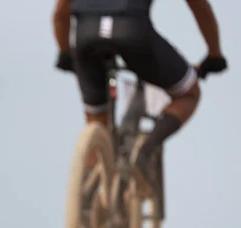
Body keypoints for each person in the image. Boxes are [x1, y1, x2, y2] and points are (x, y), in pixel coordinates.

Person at [52, 0, 227, 188]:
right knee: (189, 93)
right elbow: (199, 6)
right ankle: (144, 152)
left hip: (86, 34)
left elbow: (60, 13)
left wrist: (64, 52)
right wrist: (214, 54)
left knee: (96, 121)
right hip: (131, 30)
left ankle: (84, 201)